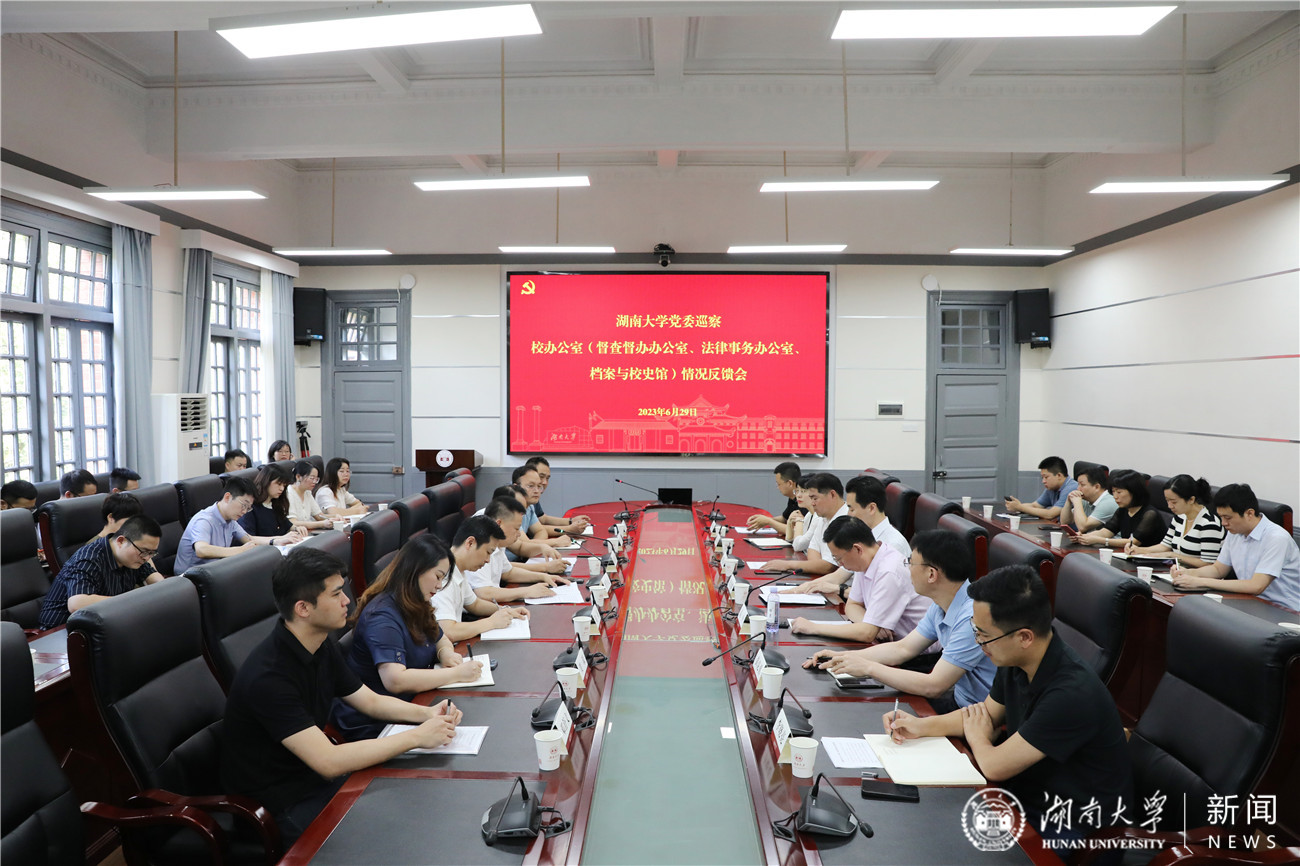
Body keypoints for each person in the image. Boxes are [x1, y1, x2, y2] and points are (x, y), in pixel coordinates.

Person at [222, 548, 463, 849]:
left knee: (413, 802)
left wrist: (428, 714)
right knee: (394, 835)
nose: (347, 600)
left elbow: (370, 701)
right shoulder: (269, 677)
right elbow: (328, 761)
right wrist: (417, 737)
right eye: (336, 594)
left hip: (315, 782)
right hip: (280, 806)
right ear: (303, 608)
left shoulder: (319, 645)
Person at [882, 565, 1133, 838]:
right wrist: (920, 726)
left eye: (985, 635)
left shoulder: (1071, 693)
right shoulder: (1018, 659)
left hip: (1071, 824)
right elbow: (985, 715)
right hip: (1026, 795)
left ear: (1024, 637)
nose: (979, 643)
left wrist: (977, 738)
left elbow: (995, 766)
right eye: (975, 630)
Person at [807, 530, 996, 713]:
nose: (907, 569)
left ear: (931, 574)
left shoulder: (971, 617)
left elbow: (934, 686)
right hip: (960, 701)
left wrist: (868, 667)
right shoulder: (940, 605)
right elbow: (903, 649)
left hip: (976, 713)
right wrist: (842, 657)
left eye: (910, 563)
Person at [331, 535, 484, 741]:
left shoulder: (415, 600)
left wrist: (445, 653)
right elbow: (396, 680)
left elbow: (440, 636)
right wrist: (456, 674)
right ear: (416, 570)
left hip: (415, 703)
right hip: (377, 723)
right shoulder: (382, 617)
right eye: (437, 576)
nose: (439, 585)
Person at [788, 516, 931, 643]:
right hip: (889, 644)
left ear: (857, 549)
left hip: (915, 654)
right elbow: (853, 605)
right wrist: (870, 624)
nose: (840, 564)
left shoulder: (889, 571)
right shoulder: (868, 559)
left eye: (839, 558)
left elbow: (866, 634)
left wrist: (813, 627)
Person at [780, 474, 911, 600]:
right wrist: (801, 589)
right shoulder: (862, 535)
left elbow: (878, 597)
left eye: (852, 509)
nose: (848, 514)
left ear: (871, 508)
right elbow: (839, 575)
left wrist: (837, 589)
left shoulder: (893, 544)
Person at [1172, 483, 1300, 608]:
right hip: (1249, 602)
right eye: (1221, 517)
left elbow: (1256, 586)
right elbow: (1218, 570)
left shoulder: (1277, 538)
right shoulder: (1235, 532)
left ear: (1249, 514)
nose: (1223, 523)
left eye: (1228, 518)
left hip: (1283, 609)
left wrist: (1200, 582)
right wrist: (1189, 573)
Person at [37, 515, 163, 629]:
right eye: (144, 551)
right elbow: (77, 603)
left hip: (102, 622)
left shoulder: (133, 557)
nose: (146, 558)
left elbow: (154, 578)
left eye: (152, 553)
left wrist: (165, 589)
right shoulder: (88, 558)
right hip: (60, 630)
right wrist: (131, 601)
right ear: (121, 541)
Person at [173, 476, 302, 574]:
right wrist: (239, 551)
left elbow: (249, 539)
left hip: (215, 570)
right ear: (227, 497)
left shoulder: (231, 520)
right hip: (190, 577)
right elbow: (202, 550)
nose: (245, 511)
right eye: (244, 505)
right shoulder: (204, 520)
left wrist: (277, 540)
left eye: (248, 508)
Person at [432, 516, 531, 642]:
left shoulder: (458, 569)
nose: (488, 560)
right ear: (470, 543)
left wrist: (506, 611)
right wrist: (491, 622)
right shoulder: (442, 575)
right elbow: (448, 632)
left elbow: (474, 604)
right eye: (488, 552)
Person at [464, 496, 571, 603]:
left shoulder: (498, 543)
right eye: (516, 528)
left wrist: (543, 576)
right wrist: (526, 591)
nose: (519, 534)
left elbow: (508, 572)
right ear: (499, 524)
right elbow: (484, 593)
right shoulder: (480, 545)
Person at [1127, 475, 1224, 567]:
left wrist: (1173, 555)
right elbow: (1165, 546)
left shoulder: (1209, 524)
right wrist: (1140, 550)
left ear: (1191, 499)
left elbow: (1208, 563)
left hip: (1198, 575)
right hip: (1177, 570)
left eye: (1174, 502)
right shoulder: (1180, 517)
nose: (1169, 506)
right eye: (1167, 501)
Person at [761, 472, 845, 575]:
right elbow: (813, 549)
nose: (812, 503)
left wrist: (788, 565)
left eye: (815, 498)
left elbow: (828, 566)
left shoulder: (844, 520)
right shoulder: (823, 517)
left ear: (832, 494)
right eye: (811, 498)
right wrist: (816, 566)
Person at [1075, 469, 1165, 549]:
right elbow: (1106, 531)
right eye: (1113, 492)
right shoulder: (1123, 510)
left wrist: (1099, 540)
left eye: (1119, 492)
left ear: (1134, 491)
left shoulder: (1150, 514)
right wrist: (1083, 537)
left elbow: (1133, 542)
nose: (1115, 496)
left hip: (1149, 558)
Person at [525, 456, 591, 534]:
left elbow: (542, 519)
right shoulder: (518, 497)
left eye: (547, 478)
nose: (545, 482)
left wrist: (571, 521)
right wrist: (569, 529)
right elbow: (532, 529)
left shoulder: (533, 495)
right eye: (541, 477)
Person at [511, 464, 569, 550]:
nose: (536, 491)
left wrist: (535, 545)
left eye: (539, 486)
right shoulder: (509, 509)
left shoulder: (530, 506)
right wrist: (556, 542)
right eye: (531, 486)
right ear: (516, 487)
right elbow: (523, 544)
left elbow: (541, 531)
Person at [240, 463, 304, 540]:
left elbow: (287, 525)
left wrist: (296, 528)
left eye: (284, 485)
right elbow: (248, 538)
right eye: (279, 484)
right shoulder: (250, 507)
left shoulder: (275, 504)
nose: (282, 489)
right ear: (266, 481)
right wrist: (280, 539)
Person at [1004, 456, 1077, 522]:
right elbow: (1035, 505)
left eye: (1046, 477)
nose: (1043, 481)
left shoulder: (1071, 488)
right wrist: (1016, 505)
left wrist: (1020, 507)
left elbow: (1050, 514)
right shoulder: (1051, 488)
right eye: (1042, 478)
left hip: (1073, 531)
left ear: (1059, 475)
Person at [747, 461, 801, 533]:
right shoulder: (792, 497)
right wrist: (762, 520)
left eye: (779, 484)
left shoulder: (803, 500)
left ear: (790, 483)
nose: (777, 488)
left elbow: (796, 531)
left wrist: (769, 521)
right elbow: (785, 518)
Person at [1063, 465, 1117, 532]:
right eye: (1078, 484)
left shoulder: (1108, 503)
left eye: (1082, 485)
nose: (1078, 488)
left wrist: (1077, 502)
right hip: (1092, 538)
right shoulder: (1086, 499)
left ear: (1097, 487)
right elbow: (1065, 522)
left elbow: (1082, 527)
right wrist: (1068, 501)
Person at [286, 460, 334, 531]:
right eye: (312, 478)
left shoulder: (307, 492)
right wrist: (322, 524)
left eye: (316, 479)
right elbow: (293, 522)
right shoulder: (289, 493)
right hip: (294, 533)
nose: (315, 482)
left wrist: (335, 517)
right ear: (298, 477)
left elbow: (319, 516)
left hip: (307, 532)